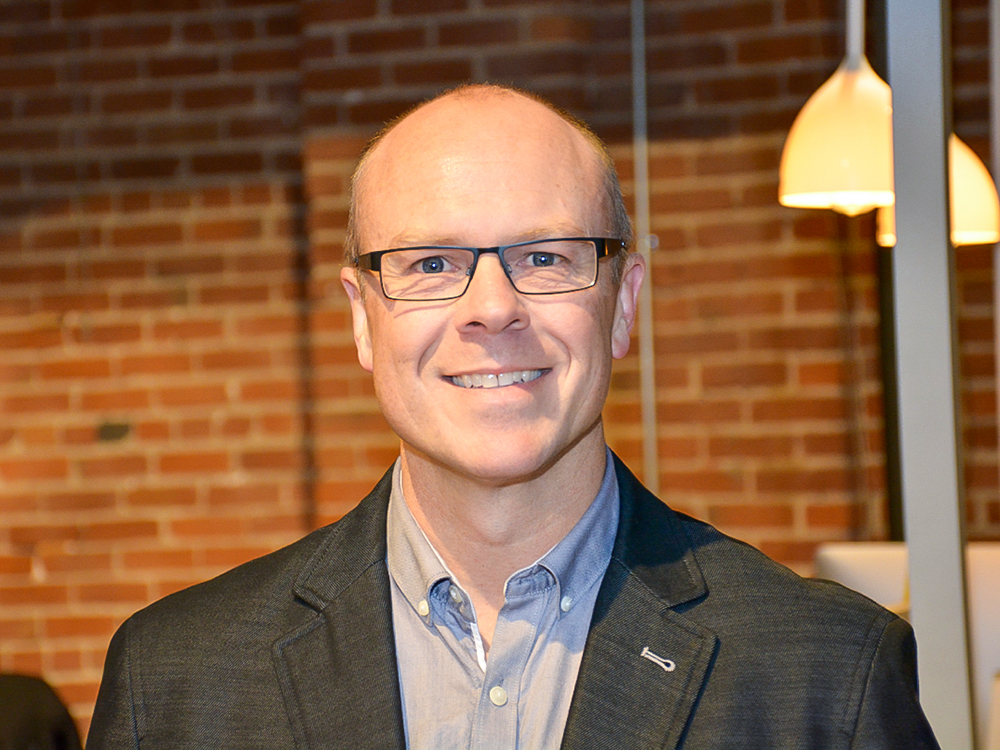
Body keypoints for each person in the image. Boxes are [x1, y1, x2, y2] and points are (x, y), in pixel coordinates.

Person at [87, 84, 939, 749]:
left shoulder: (827, 675)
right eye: (430, 263)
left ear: (623, 304)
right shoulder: (176, 684)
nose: (493, 309)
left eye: (545, 257)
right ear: (362, 318)